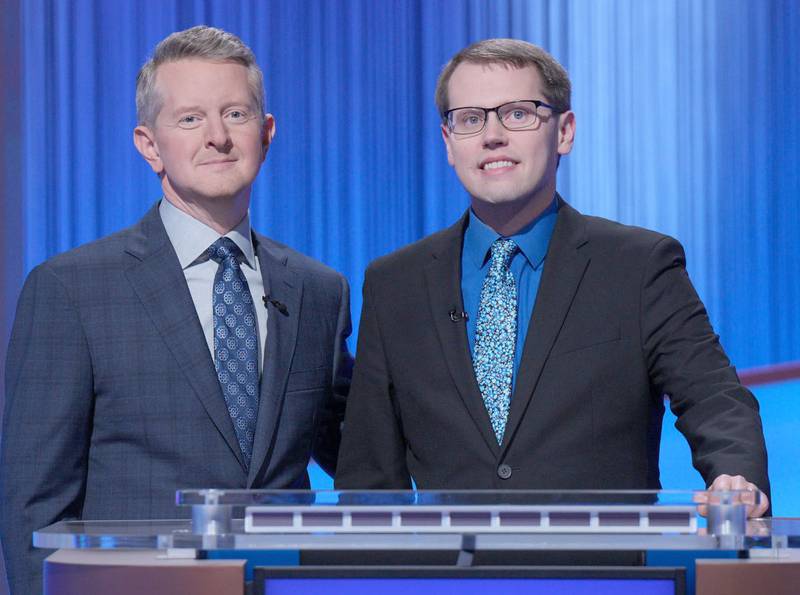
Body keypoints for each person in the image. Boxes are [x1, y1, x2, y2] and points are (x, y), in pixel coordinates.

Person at [335, 39, 769, 514]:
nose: (492, 136)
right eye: (470, 118)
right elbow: (369, 474)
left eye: (518, 113)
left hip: (603, 578)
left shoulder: (639, 266)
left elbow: (714, 397)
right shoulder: (395, 284)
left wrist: (737, 477)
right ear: (448, 143)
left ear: (564, 131)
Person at [0, 26, 351, 594]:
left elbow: (359, 452)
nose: (217, 137)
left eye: (235, 114)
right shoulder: (71, 290)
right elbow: (33, 505)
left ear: (267, 133)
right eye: (190, 119)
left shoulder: (319, 291)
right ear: (149, 144)